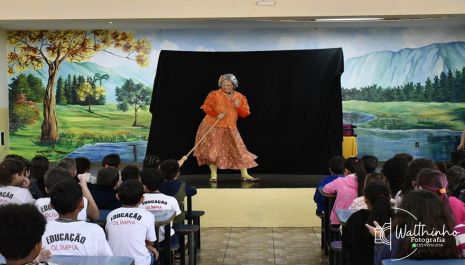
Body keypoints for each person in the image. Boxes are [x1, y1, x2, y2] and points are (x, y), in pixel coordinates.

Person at [193, 73, 258, 182]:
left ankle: (245, 174)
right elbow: (206, 107)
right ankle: (213, 175)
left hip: (230, 126)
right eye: (223, 84)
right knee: (212, 150)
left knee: (239, 149)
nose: (226, 87)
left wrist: (238, 107)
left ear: (233, 85)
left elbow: (245, 113)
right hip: (212, 126)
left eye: (228, 85)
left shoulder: (240, 97)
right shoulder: (214, 94)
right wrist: (215, 114)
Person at [41, 180, 112, 256]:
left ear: (51, 205)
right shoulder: (95, 231)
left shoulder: (40, 230)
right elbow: (107, 259)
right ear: (82, 204)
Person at [106, 180, 159, 265]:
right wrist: (147, 246)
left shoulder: (111, 215)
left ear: (117, 196)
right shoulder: (148, 215)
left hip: (113, 261)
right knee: (153, 253)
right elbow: (151, 241)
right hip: (140, 262)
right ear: (142, 199)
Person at [342, 182, 392, 265]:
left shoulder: (356, 218)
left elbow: (346, 244)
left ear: (365, 199)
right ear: (389, 198)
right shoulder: (396, 219)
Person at [35, 167, 99, 221]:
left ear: (46, 189)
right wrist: (84, 186)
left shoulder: (38, 203)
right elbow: (95, 216)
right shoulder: (82, 201)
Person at [140, 168, 181, 242]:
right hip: (167, 239)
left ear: (143, 183)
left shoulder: (137, 201)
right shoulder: (171, 200)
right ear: (163, 182)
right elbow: (176, 218)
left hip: (144, 240)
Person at [159, 159, 197, 225]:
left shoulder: (156, 185)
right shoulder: (182, 186)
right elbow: (193, 191)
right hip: (177, 219)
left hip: (159, 219)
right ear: (178, 174)